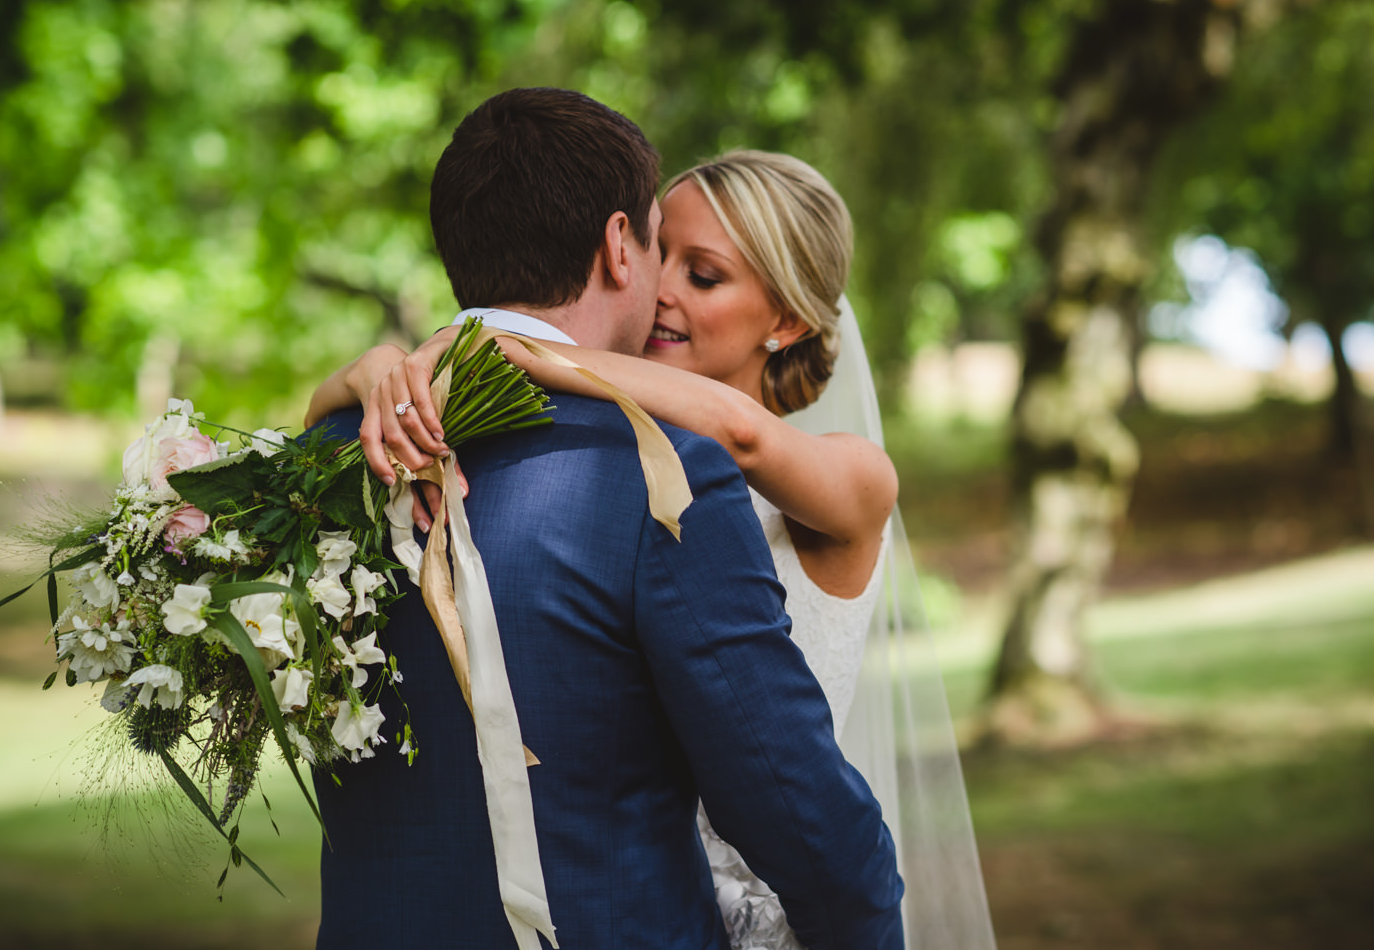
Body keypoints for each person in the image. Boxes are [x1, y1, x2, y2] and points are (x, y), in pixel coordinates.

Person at [311, 151, 995, 949]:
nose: (660, 285)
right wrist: (365, 377)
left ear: (788, 322)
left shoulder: (851, 474)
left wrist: (518, 346)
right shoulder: (617, 461)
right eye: (660, 250)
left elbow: (736, 432)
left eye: (703, 276)